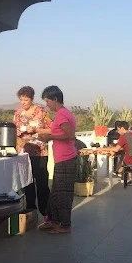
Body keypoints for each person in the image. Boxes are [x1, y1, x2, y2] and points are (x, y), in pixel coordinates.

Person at [38, 86, 77, 234]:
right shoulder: (64, 113)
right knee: (56, 192)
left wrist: (50, 137)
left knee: (63, 194)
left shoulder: (61, 115)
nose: (47, 105)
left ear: (55, 99)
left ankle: (65, 225)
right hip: (62, 159)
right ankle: (53, 221)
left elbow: (70, 135)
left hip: (66, 159)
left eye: (47, 101)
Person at [13, 86, 52, 219]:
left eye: (26, 100)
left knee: (42, 182)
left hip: (40, 152)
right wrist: (19, 132)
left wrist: (36, 130)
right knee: (27, 182)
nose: (23, 103)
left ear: (32, 99)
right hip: (24, 153)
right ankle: (31, 212)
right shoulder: (18, 114)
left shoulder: (41, 112)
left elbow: (51, 129)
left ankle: (46, 212)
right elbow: (14, 131)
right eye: (21, 100)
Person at [98, 120, 132, 185]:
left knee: (123, 158)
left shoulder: (123, 136)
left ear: (122, 128)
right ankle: (120, 172)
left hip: (130, 161)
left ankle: (118, 172)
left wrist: (102, 148)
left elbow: (116, 149)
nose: (117, 132)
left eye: (118, 130)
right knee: (123, 156)